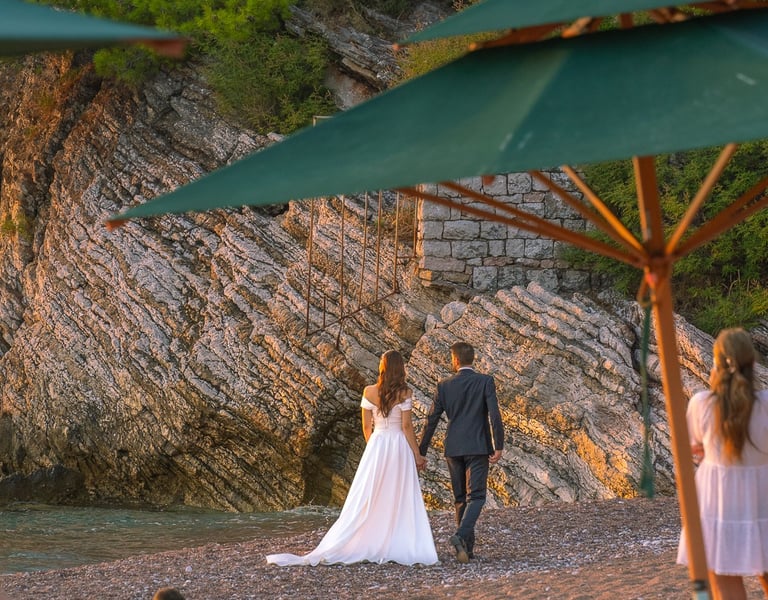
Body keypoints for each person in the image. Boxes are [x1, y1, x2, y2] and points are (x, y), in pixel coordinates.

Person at [266, 349, 438, 566]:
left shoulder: (369, 391)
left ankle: (367, 537)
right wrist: (417, 454)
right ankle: (396, 538)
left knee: (370, 492)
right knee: (398, 492)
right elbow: (406, 427)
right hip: (398, 446)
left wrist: (374, 446)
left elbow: (367, 426)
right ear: (400, 369)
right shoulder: (405, 392)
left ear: (382, 367)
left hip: (378, 443)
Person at [676, 328, 768, 600]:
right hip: (762, 495)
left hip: (718, 498)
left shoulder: (702, 404)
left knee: (724, 583)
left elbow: (695, 448)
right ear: (752, 362)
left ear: (716, 363)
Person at [419, 341, 504, 563]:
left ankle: (465, 549)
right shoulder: (485, 381)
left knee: (460, 499)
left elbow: (431, 420)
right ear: (472, 359)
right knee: (476, 496)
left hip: (453, 448)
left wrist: (421, 451)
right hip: (478, 446)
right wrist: (499, 445)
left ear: (455, 360)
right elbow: (494, 415)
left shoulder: (443, 386)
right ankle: (460, 537)